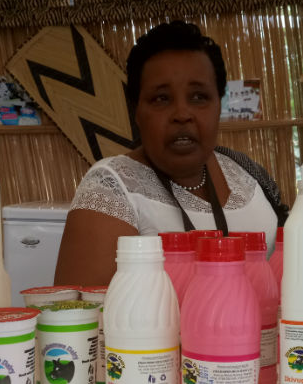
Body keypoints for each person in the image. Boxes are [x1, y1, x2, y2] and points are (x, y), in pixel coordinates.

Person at [54, 21, 287, 286]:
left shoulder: (247, 171)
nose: (182, 114)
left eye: (199, 97)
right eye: (161, 99)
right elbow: (81, 320)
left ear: (218, 106)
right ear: (136, 111)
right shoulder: (111, 188)